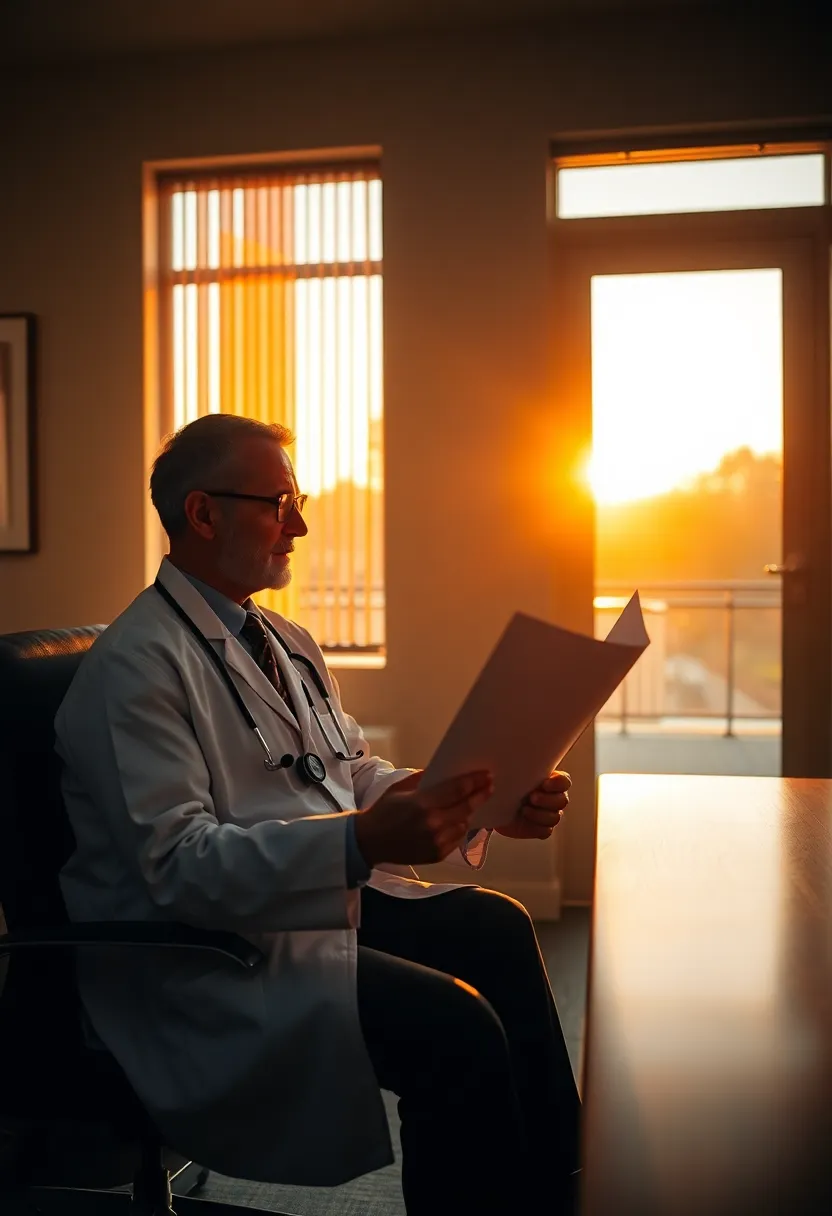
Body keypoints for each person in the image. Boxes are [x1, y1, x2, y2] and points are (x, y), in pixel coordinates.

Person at [55, 413, 581, 1214]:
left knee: (497, 929)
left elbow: (346, 770)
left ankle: (565, 1187)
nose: (299, 523)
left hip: (305, 910)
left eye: (296, 499)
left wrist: (480, 803)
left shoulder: (285, 638)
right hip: (211, 954)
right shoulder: (136, 667)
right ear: (203, 514)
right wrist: (360, 842)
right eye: (279, 502)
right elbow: (178, 867)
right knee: (456, 1032)